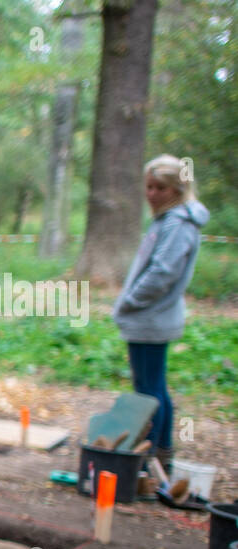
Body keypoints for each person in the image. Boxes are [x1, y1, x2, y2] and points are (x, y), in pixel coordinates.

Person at [111, 155, 210, 472]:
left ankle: (151, 458)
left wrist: (129, 301)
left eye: (160, 188)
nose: (151, 194)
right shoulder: (167, 221)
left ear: (178, 189)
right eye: (149, 187)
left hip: (151, 318)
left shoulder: (178, 224)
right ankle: (158, 457)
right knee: (152, 387)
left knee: (149, 392)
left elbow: (162, 273)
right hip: (149, 317)